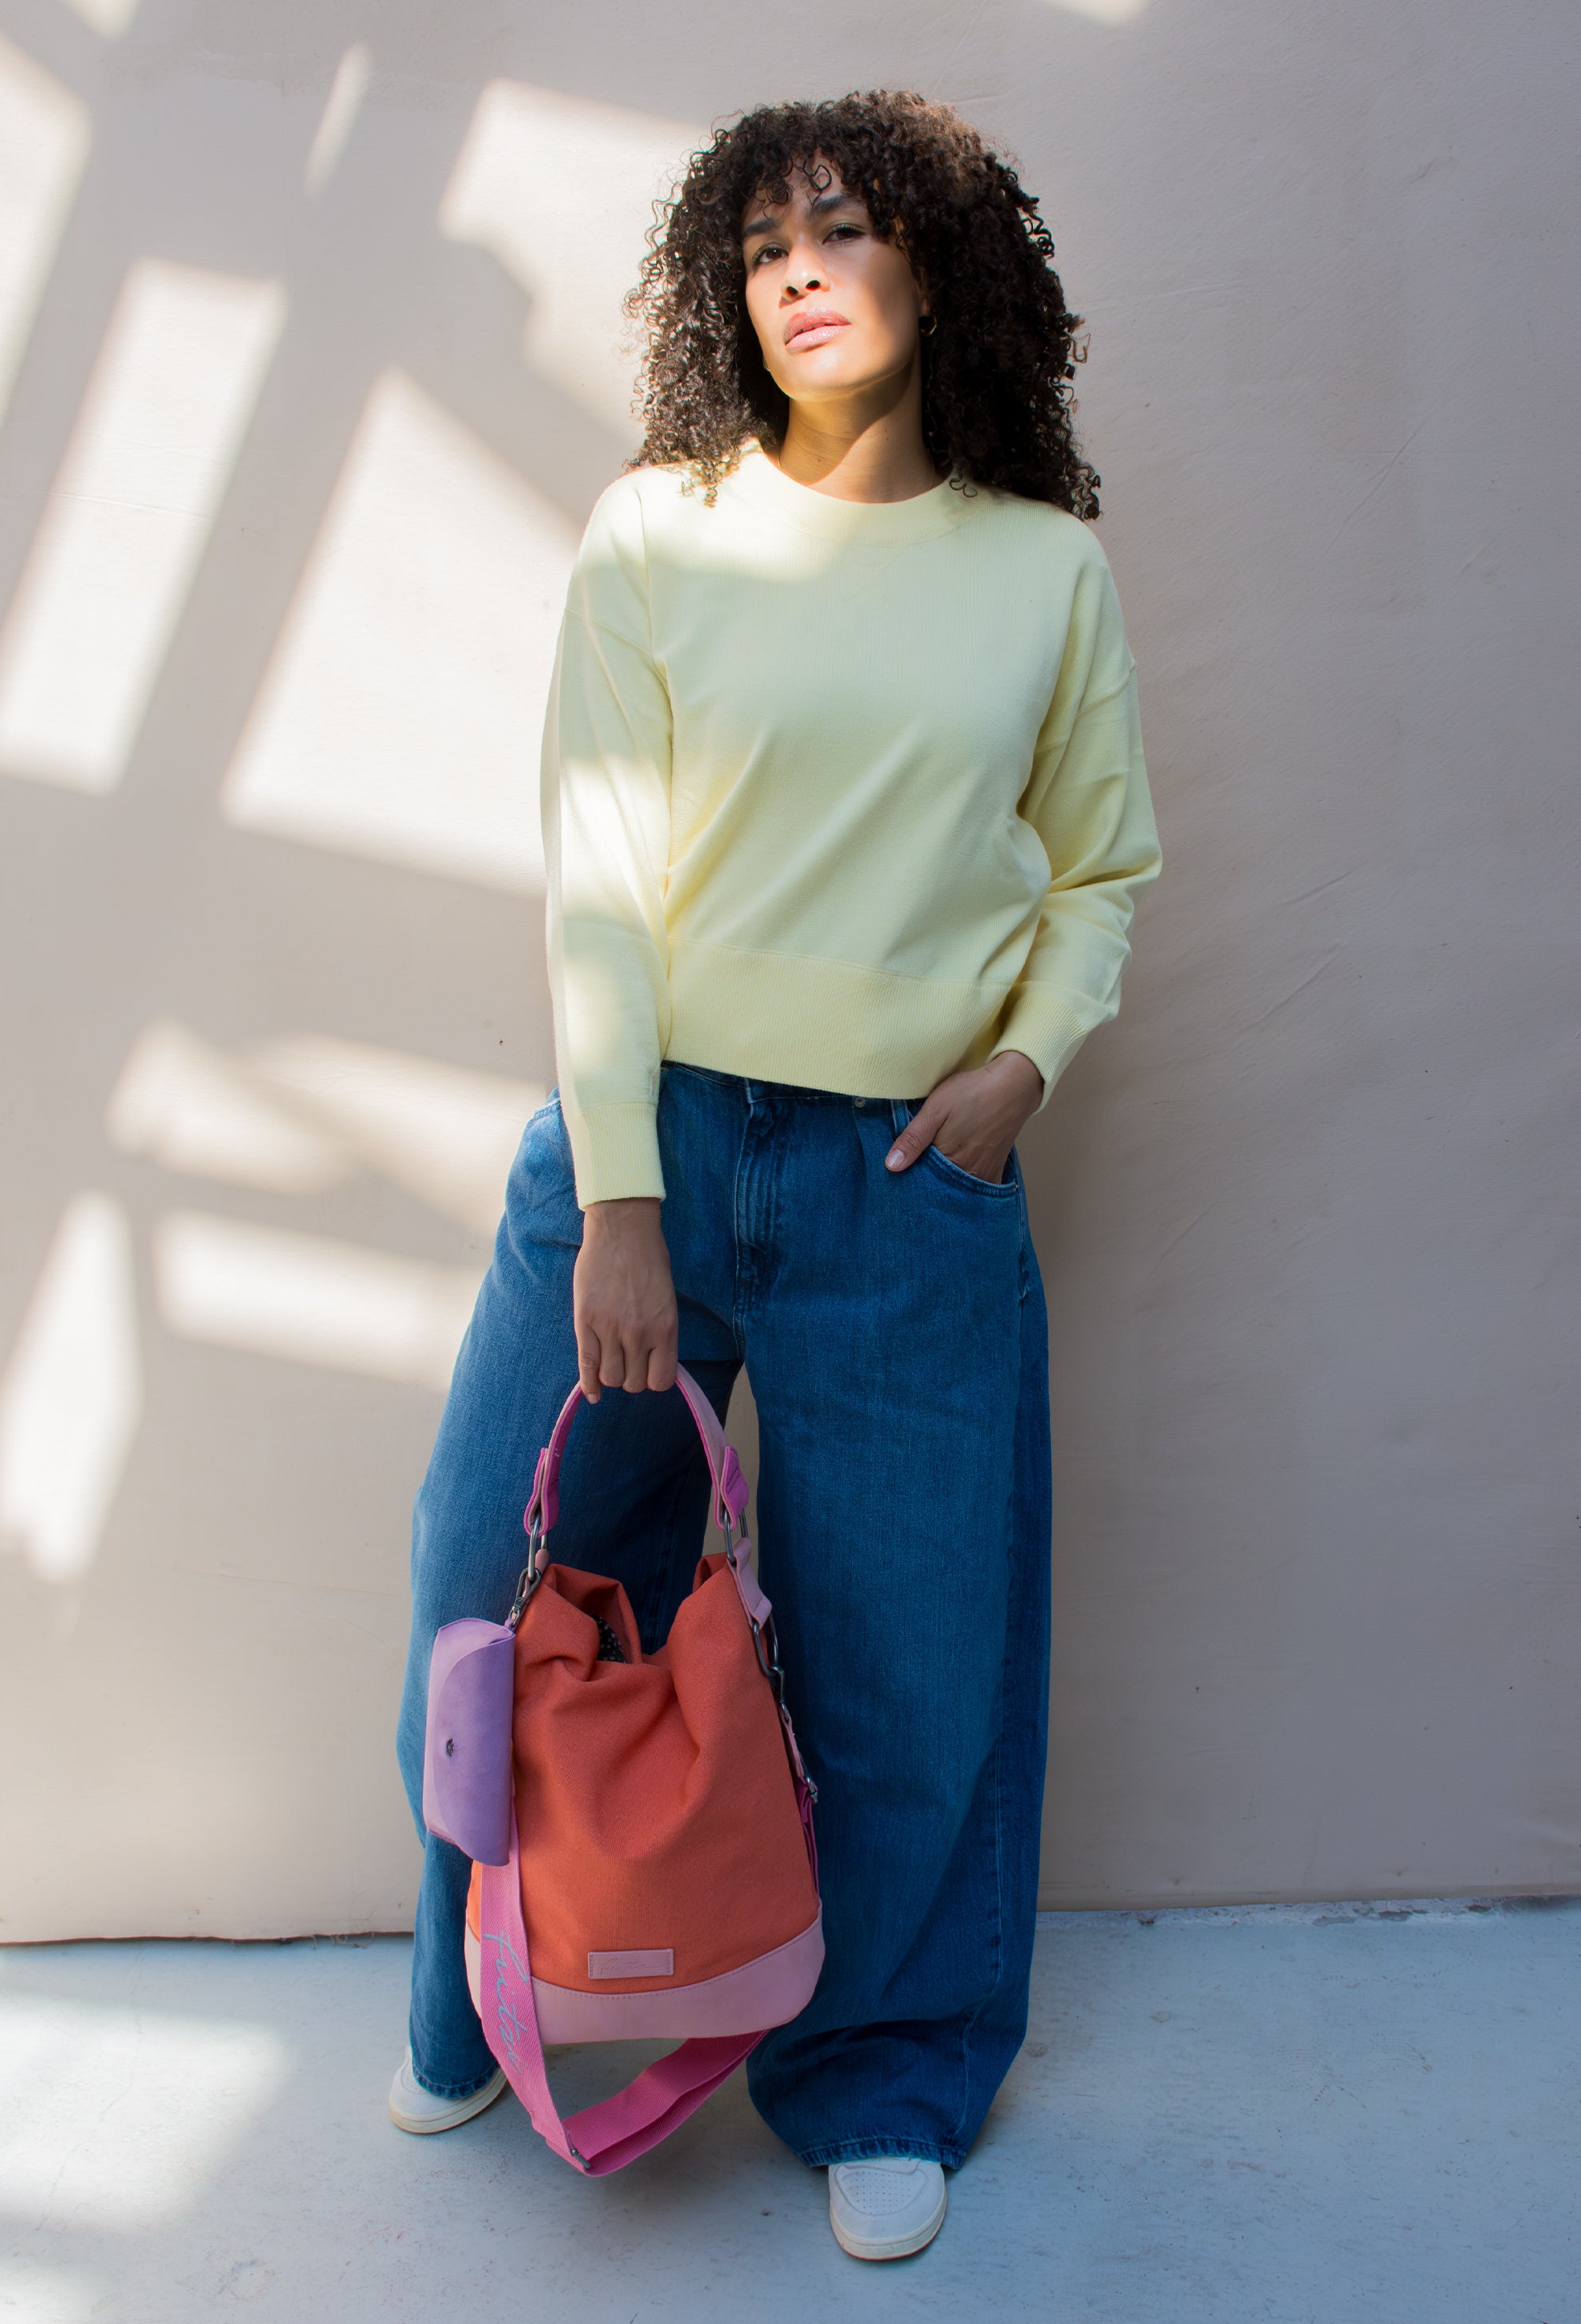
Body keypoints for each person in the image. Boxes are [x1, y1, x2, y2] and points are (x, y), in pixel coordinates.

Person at [392, 88, 1160, 2263]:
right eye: (759, 249)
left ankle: (881, 2070)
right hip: (650, 1143)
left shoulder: (1043, 570)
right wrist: (623, 1199)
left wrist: (1025, 1062)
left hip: (905, 1179)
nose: (800, 273)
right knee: (499, 1580)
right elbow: (600, 874)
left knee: (917, 1658)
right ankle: (496, 1985)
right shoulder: (661, 533)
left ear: (940, 266)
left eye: (842, 229)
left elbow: (1102, 867)